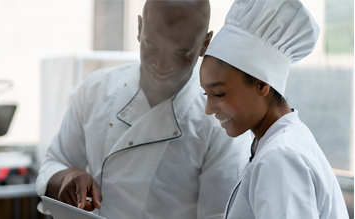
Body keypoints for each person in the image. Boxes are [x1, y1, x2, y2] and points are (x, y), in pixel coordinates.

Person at [35, 0, 252, 218]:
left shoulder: (220, 120)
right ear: (139, 29)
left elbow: (218, 214)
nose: (162, 65)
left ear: (205, 44)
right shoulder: (97, 89)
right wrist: (66, 177)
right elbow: (54, 163)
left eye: (181, 54)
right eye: (151, 47)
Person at [200, 0, 349, 218]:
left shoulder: (280, 157)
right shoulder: (283, 141)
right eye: (206, 94)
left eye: (219, 94)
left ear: (262, 85)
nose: (208, 109)